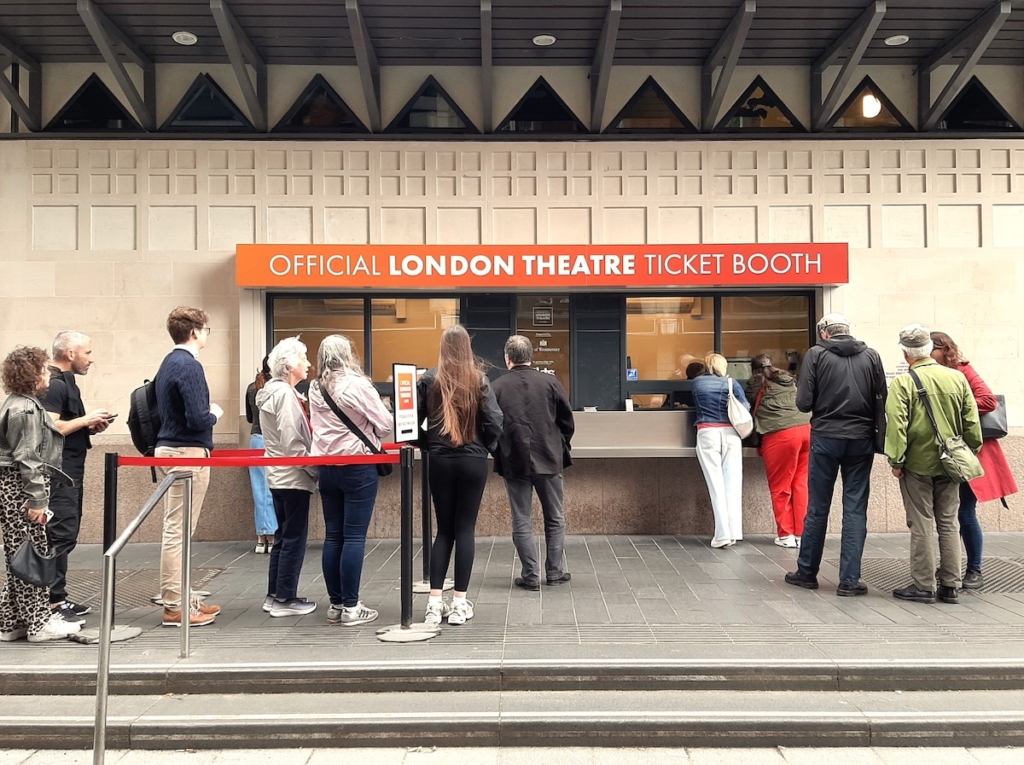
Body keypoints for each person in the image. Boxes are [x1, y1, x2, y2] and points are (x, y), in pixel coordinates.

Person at [785, 313, 886, 597]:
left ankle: (806, 572)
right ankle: (849, 581)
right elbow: (882, 400)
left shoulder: (816, 355)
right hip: (862, 439)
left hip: (826, 437)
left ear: (824, 333)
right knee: (855, 508)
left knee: (818, 506)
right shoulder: (872, 356)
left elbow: (804, 403)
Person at [885, 324, 982, 605]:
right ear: (929, 350)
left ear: (907, 354)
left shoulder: (904, 383)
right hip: (951, 463)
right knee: (949, 522)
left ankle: (924, 585)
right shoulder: (957, 378)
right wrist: (967, 451)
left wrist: (896, 460)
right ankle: (951, 584)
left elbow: (897, 427)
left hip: (917, 463)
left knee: (922, 524)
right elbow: (972, 423)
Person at [417, 325, 502, 626]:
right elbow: (495, 420)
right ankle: (460, 604)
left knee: (444, 531)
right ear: (467, 348)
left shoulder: (428, 379)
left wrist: (429, 445)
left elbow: (410, 424)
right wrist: (485, 446)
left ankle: (433, 603)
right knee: (465, 530)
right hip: (473, 461)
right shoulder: (479, 379)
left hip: (439, 461)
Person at [309, 334, 392, 627]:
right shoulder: (357, 385)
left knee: (333, 536)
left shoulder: (315, 388)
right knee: (354, 537)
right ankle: (353, 609)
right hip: (358, 466)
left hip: (326, 467)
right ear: (348, 355)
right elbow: (385, 424)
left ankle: (336, 604)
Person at [0, 346, 80, 642]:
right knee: (33, 555)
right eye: (44, 370)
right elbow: (28, 458)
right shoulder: (25, 409)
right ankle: (38, 623)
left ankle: (12, 623)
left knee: (19, 557)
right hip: (21, 490)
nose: (49, 375)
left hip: (15, 488)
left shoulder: (19, 403)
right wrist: (38, 501)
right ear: (32, 375)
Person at [929, 331, 1018, 589]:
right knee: (949, 513)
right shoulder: (937, 372)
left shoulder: (963, 369)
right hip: (947, 453)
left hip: (967, 454)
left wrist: (958, 405)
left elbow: (988, 400)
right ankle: (952, 565)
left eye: (930, 349)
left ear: (943, 349)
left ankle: (974, 569)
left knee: (964, 512)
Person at [154, 306, 223, 627]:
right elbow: (198, 418)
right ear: (195, 331)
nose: (207, 334)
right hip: (186, 450)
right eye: (206, 329)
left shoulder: (169, 362)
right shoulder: (188, 366)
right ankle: (174, 604)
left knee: (179, 530)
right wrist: (215, 414)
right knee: (179, 530)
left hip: (173, 447)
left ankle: (182, 596)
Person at [491, 335, 575, 591]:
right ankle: (554, 572)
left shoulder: (496, 387)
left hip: (513, 460)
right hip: (549, 457)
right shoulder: (551, 382)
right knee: (555, 516)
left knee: (521, 518)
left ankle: (530, 576)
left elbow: (490, 424)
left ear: (507, 358)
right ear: (530, 356)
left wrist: (499, 449)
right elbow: (567, 422)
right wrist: (560, 445)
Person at [42, 331, 113, 624]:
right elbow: (51, 426)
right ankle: (52, 602)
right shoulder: (54, 385)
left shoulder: (67, 384)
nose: (91, 359)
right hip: (59, 474)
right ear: (70, 354)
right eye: (87, 353)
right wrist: (86, 419)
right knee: (59, 534)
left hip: (71, 472)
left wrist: (90, 426)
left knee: (66, 533)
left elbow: (67, 425)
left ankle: (58, 596)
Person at [257, 337, 318, 618]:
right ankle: (285, 597)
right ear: (290, 365)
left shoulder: (273, 392)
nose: (308, 364)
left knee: (283, 536)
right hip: (292, 475)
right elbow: (294, 441)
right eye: (304, 359)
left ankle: (275, 594)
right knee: (293, 537)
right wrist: (314, 470)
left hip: (277, 474)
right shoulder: (285, 395)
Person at [745, 354, 810, 549]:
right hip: (807, 430)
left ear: (753, 369)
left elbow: (746, 405)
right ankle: (802, 534)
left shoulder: (756, 383)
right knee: (801, 484)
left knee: (781, 487)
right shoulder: (788, 378)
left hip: (781, 435)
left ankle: (786, 534)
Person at [691, 352, 749, 548]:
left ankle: (722, 534)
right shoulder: (731, 383)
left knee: (715, 485)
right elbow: (745, 407)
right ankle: (733, 533)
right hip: (731, 435)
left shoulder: (698, 382)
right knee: (732, 484)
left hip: (707, 433)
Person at [245, 356, 276, 554]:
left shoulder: (251, 387)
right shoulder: (280, 388)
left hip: (256, 440)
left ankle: (261, 538)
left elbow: (249, 417)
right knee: (273, 490)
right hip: (273, 441)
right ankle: (272, 536)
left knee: (259, 491)